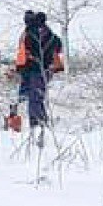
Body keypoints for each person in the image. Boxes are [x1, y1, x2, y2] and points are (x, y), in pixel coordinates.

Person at [15, 9, 64, 144]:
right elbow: (59, 46)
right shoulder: (46, 33)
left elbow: (25, 51)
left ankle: (37, 124)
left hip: (34, 70)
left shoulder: (31, 33)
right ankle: (36, 122)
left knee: (34, 97)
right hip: (40, 70)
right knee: (33, 96)